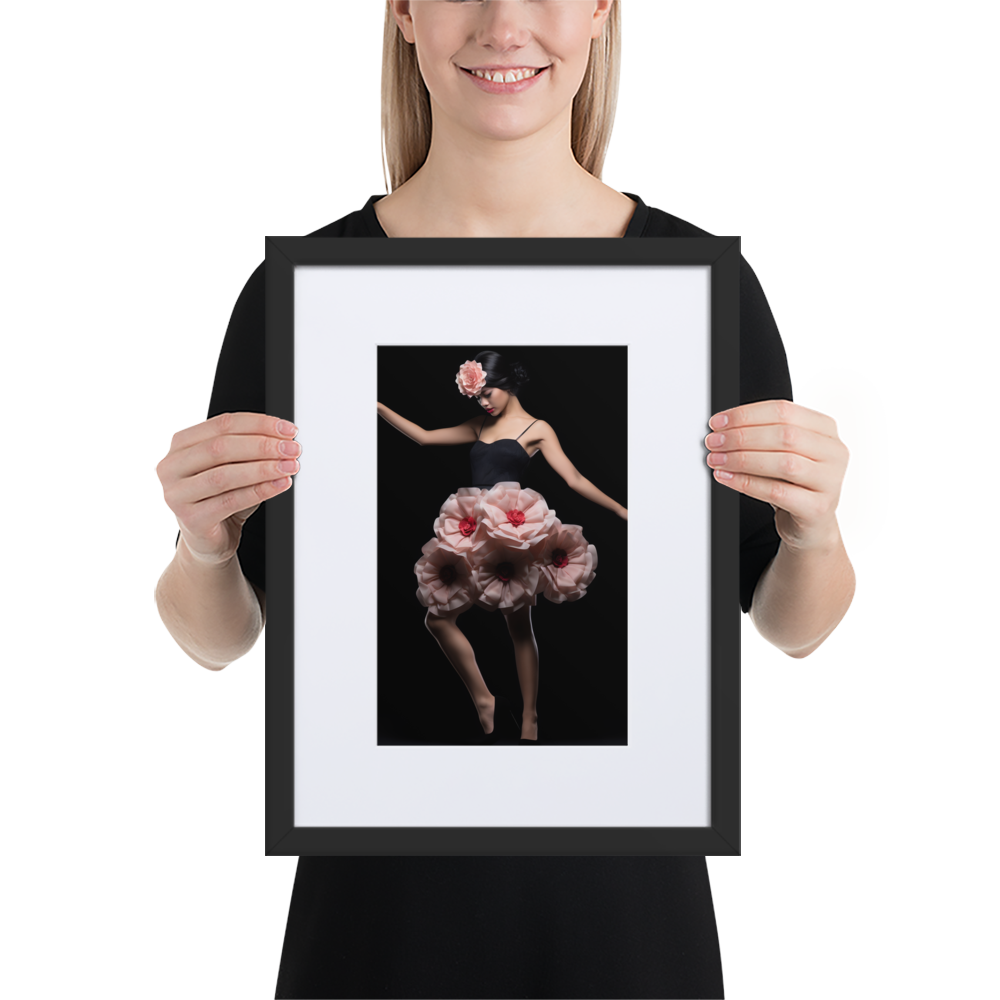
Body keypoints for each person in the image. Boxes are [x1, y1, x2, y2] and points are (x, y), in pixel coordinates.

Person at [154, 3, 856, 997]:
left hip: (630, 934)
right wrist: (202, 545)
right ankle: (494, 699)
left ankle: (513, 704)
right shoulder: (296, 301)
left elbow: (793, 631)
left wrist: (814, 528)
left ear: (604, 10)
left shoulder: (707, 289)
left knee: (519, 624)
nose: (504, 21)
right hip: (371, 936)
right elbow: (218, 640)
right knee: (466, 620)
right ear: (401, 11)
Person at [381, 350, 625, 745]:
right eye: (478, 397)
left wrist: (621, 510)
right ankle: (484, 699)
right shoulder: (479, 424)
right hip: (473, 526)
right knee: (437, 619)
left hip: (513, 529)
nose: (484, 403)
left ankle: (530, 718)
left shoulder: (537, 428)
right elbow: (425, 437)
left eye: (488, 393)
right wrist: (376, 405)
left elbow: (574, 478)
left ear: (508, 384)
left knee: (520, 630)